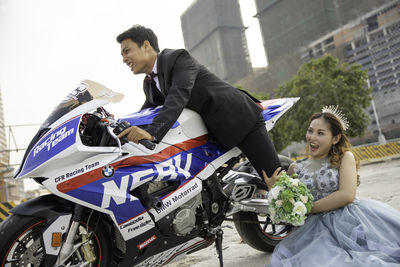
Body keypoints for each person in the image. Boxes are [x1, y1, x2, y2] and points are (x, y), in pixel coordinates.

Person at [116, 24, 281, 178]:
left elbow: (178, 95)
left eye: (126, 51)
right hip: (214, 136)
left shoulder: (177, 58)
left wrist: (152, 133)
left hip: (240, 120)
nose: (123, 59)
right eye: (122, 54)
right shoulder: (149, 83)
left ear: (146, 45)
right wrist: (117, 126)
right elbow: (145, 114)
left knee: (276, 182)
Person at [263, 106, 400, 267]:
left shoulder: (344, 157)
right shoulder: (296, 167)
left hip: (349, 220)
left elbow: (347, 195)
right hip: (313, 230)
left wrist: (308, 208)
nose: (312, 137)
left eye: (320, 133)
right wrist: (275, 190)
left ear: (335, 138)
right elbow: (289, 207)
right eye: (310, 131)